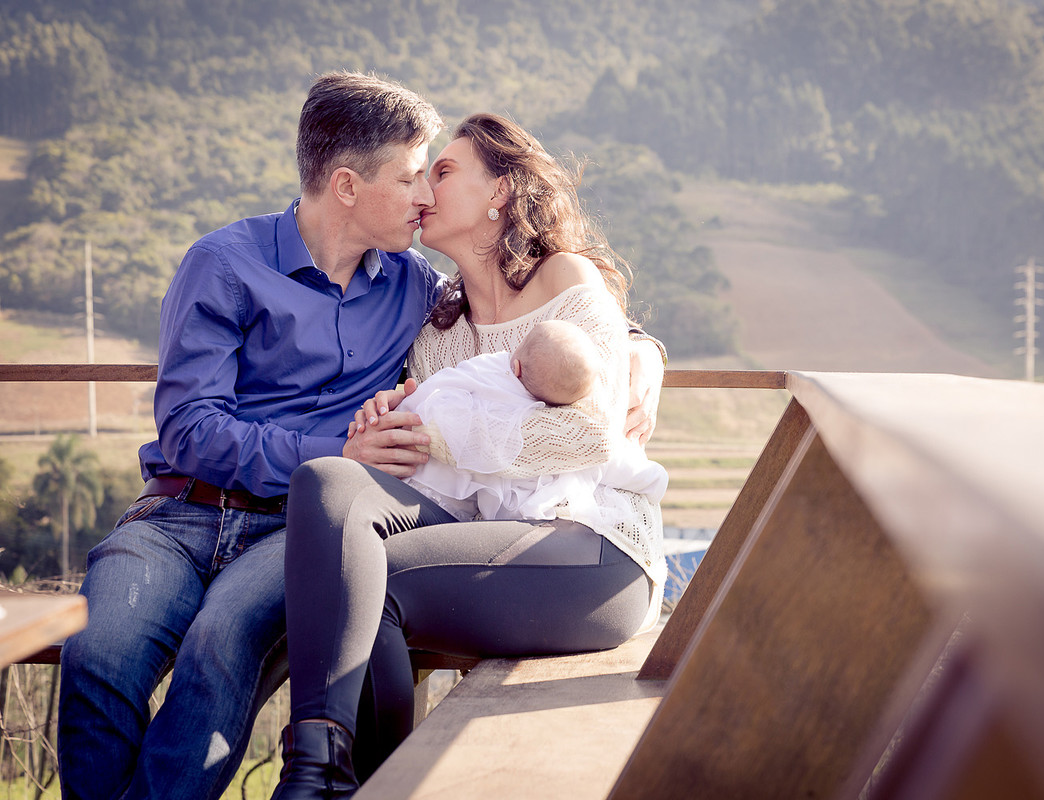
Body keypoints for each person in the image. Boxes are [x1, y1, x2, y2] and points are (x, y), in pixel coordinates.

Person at [57, 72, 665, 800]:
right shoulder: (250, 271)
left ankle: (320, 776)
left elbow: (556, 345)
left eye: (437, 173)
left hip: (304, 528)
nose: (425, 195)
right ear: (347, 186)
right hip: (179, 511)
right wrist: (343, 449)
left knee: (223, 645)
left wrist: (641, 348)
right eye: (415, 175)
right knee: (97, 652)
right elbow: (189, 428)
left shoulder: (412, 289)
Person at [271, 112, 667, 797]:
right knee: (327, 485)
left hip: (594, 553)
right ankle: (321, 768)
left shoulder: (566, 282)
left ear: (501, 193)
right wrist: (382, 438)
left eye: (443, 172)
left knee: (372, 582)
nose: (422, 189)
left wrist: (443, 434)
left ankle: (346, 782)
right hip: (485, 536)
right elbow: (433, 458)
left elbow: (590, 435)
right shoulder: (438, 331)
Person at [395, 318, 668, 524]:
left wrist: (411, 408)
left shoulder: (489, 367)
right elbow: (614, 458)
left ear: (515, 365)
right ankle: (655, 479)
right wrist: (654, 480)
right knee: (585, 471)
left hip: (425, 482)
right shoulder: (550, 423)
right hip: (502, 508)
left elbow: (447, 382)